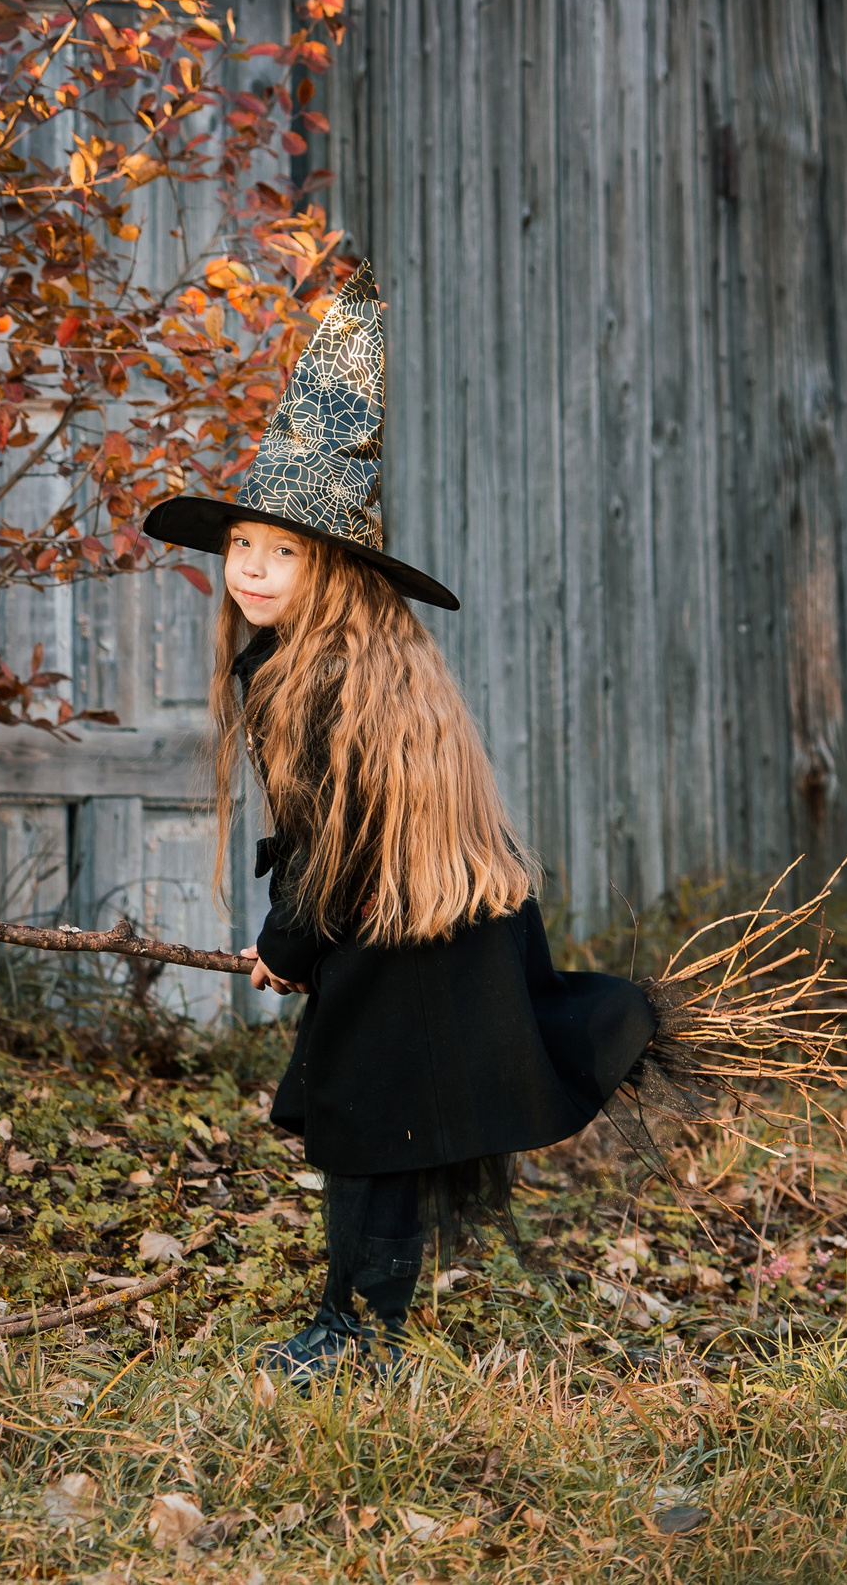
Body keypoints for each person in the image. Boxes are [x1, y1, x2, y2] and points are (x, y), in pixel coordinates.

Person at [140, 263, 681, 1385]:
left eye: (283, 553)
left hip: (410, 925)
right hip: (402, 918)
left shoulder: (335, 678)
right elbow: (315, 840)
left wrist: (287, 948)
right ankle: (358, 1317)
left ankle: (359, 1335)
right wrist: (295, 939)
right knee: (370, 1123)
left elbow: (335, 841)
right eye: (242, 545)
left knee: (370, 1127)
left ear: (332, 569)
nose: (251, 567)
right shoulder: (306, 658)